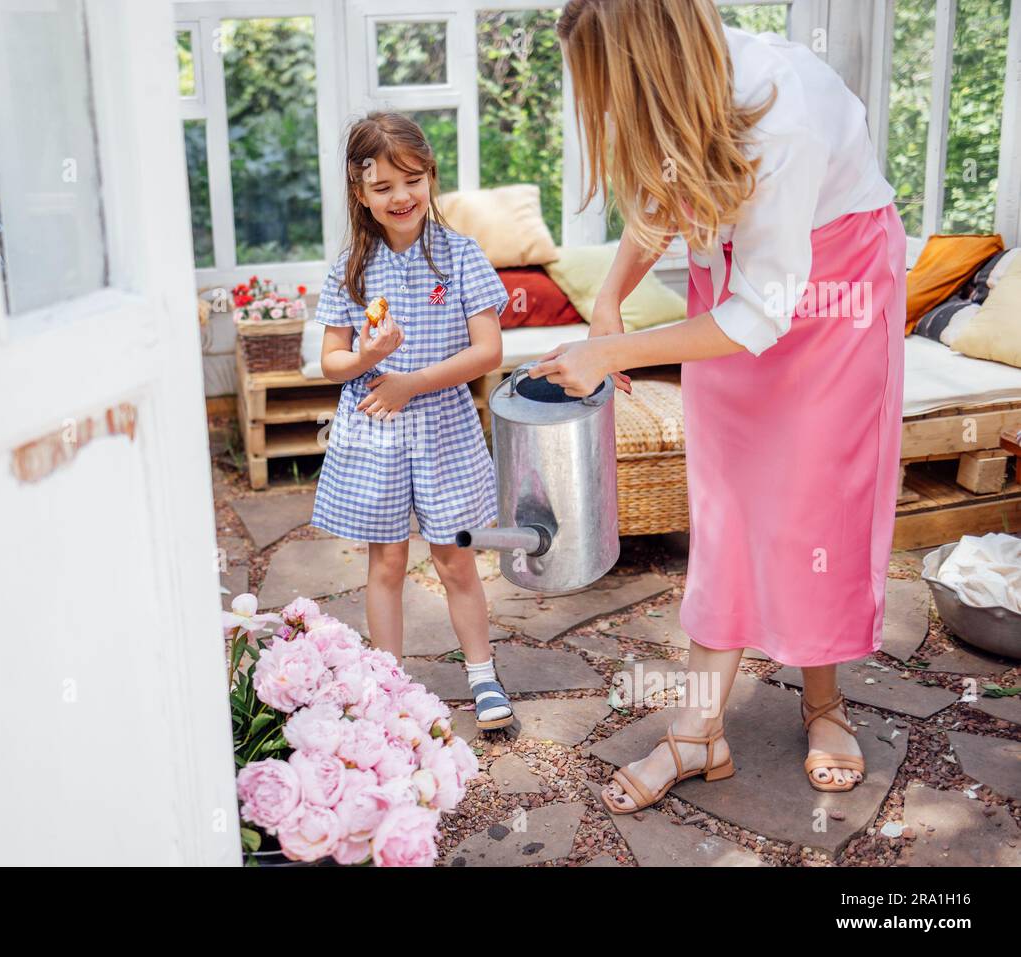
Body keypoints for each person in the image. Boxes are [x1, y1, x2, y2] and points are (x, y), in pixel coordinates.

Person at [532, 0, 905, 809]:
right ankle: (700, 731)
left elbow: (762, 312)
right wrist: (609, 303)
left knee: (814, 511)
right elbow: (668, 195)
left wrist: (610, 352)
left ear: (651, 68)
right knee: (728, 504)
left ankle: (825, 703)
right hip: (738, 294)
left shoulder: (784, 112)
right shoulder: (688, 94)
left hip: (833, 293)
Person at [310, 111, 515, 730]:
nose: (401, 197)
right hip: (376, 430)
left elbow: (489, 352)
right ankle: (387, 683)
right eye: (382, 187)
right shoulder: (351, 266)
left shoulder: (460, 256)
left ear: (430, 178)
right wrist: (367, 359)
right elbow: (331, 362)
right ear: (360, 193)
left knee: (456, 559)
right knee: (388, 563)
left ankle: (482, 675)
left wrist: (409, 383)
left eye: (413, 180)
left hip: (443, 427)